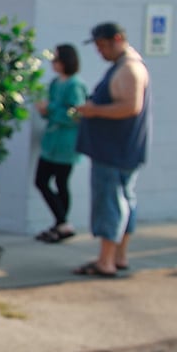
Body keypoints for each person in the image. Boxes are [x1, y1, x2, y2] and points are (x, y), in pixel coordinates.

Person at [72, 22, 150, 277]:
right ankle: (118, 256)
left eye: (103, 45)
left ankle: (106, 261)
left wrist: (94, 110)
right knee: (124, 200)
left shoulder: (129, 69)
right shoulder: (125, 66)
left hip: (115, 150)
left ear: (117, 39)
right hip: (119, 148)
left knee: (111, 202)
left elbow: (130, 106)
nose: (100, 52)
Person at [33, 43, 88, 243]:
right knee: (42, 181)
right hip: (51, 142)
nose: (53, 63)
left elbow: (76, 114)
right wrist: (45, 111)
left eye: (56, 59)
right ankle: (61, 222)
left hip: (66, 143)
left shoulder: (75, 85)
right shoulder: (56, 83)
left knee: (60, 182)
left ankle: (62, 223)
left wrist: (52, 109)